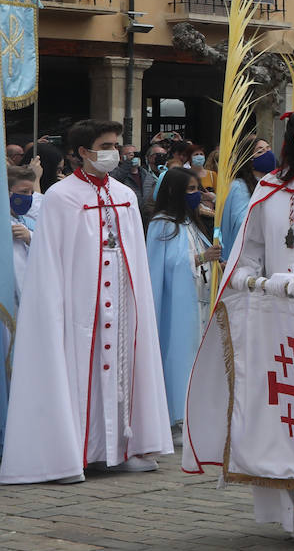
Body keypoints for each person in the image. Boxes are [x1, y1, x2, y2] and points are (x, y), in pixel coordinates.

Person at [181, 106, 294, 540]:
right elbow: (250, 247)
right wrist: (245, 275)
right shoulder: (269, 188)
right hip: (279, 323)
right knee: (290, 411)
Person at [0, 120, 173, 484]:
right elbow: (50, 259)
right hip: (78, 304)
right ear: (82, 152)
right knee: (77, 370)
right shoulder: (62, 197)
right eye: (105, 145)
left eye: (116, 144)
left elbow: (134, 257)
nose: (113, 151)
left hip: (121, 304)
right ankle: (73, 452)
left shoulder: (125, 196)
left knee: (122, 369)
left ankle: (120, 448)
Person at [145, 167, 219, 424]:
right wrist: (201, 257)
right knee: (178, 355)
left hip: (198, 299)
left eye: (197, 188)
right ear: (174, 191)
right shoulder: (162, 223)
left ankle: (191, 413)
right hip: (175, 304)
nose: (196, 194)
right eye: (190, 189)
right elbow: (163, 266)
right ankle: (173, 415)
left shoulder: (190, 222)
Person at [220, 137, 274, 259]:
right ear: (249, 160)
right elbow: (241, 222)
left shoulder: (274, 184)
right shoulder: (239, 186)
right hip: (247, 255)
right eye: (260, 151)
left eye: (268, 149)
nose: (268, 154)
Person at [7, 165, 38, 291]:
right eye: (24, 192)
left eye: (31, 192)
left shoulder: (29, 222)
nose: (29, 196)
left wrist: (30, 238)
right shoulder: (5, 224)